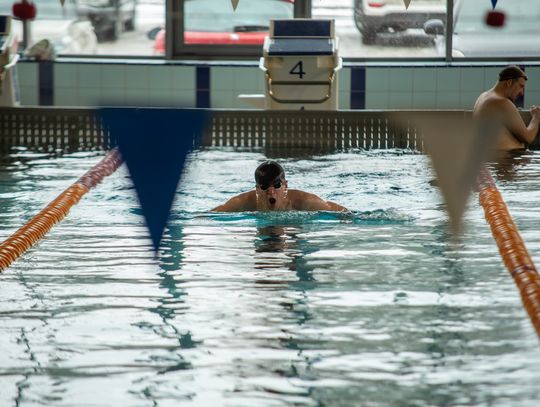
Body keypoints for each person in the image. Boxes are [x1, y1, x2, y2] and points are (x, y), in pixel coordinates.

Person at [211, 160, 348, 212]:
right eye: (264, 187)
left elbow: (342, 211)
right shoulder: (244, 202)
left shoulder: (303, 201)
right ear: (257, 189)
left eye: (276, 185)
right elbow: (212, 214)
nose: (271, 192)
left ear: (285, 186)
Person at [473, 65, 540, 151]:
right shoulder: (501, 102)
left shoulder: (483, 96)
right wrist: (536, 117)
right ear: (509, 82)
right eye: (521, 86)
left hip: (493, 157)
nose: (521, 93)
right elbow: (528, 138)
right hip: (505, 158)